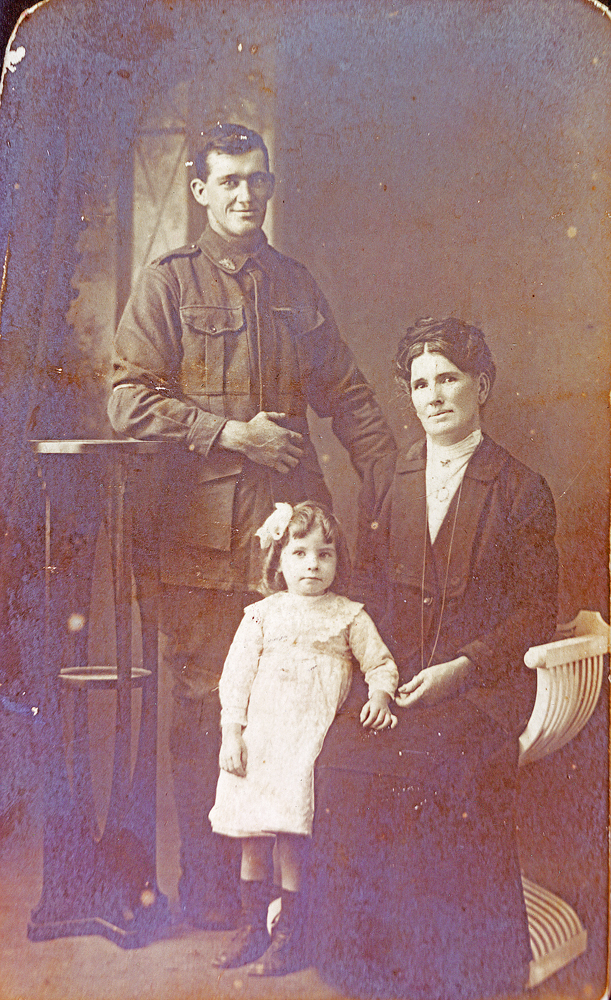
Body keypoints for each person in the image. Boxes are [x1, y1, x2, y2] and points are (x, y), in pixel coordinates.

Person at [106, 124, 395, 929]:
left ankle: (292, 902)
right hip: (202, 547)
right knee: (210, 710)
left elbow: (349, 395)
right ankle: (212, 896)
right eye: (227, 180)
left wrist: (395, 484)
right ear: (199, 190)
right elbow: (127, 400)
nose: (243, 194)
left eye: (255, 179)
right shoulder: (167, 284)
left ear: (269, 186)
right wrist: (232, 433)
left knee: (305, 709)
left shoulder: (295, 285)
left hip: (294, 547)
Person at [308, 317, 559, 999]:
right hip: (397, 681)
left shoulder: (520, 487)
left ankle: (449, 972)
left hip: (482, 687)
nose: (434, 396)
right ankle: (364, 966)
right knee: (339, 757)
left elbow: (536, 611)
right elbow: (363, 593)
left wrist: (465, 667)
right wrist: (378, 678)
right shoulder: (389, 479)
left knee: (428, 767)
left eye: (448, 378)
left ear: (483, 385)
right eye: (420, 384)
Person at [208, 501, 398, 976]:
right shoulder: (260, 615)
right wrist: (232, 733)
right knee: (253, 834)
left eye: (324, 554)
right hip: (261, 740)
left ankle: (288, 935)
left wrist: (380, 696)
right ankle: (252, 928)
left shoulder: (349, 616)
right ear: (278, 560)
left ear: (337, 562)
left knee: (292, 834)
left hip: (307, 743)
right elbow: (235, 679)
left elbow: (380, 663)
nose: (312, 564)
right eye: (299, 553)